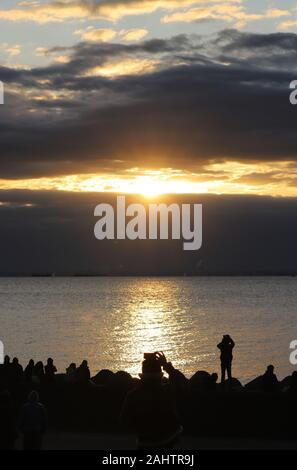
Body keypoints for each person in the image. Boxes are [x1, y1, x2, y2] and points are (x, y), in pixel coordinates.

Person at [120, 352, 183, 450]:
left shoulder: (133, 395)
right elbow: (182, 384)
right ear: (159, 376)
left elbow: (124, 421)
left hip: (144, 443)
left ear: (142, 376)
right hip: (167, 441)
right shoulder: (166, 392)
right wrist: (167, 366)